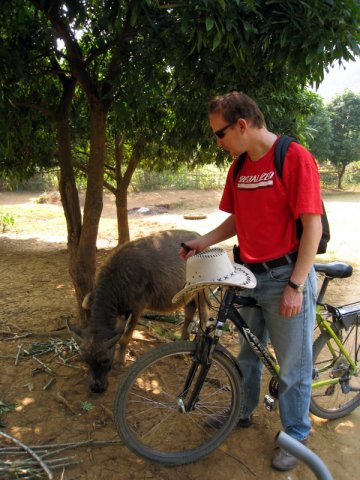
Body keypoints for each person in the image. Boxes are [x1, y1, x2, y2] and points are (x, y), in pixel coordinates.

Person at [179, 91, 323, 472]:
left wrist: (295, 284)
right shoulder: (240, 167)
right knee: (248, 353)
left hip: (284, 276)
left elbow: (312, 225)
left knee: (293, 366)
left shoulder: (293, 158)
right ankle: (241, 412)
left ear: (242, 125)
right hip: (247, 276)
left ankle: (296, 435)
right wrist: (202, 241)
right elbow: (237, 219)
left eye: (220, 134)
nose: (218, 142)